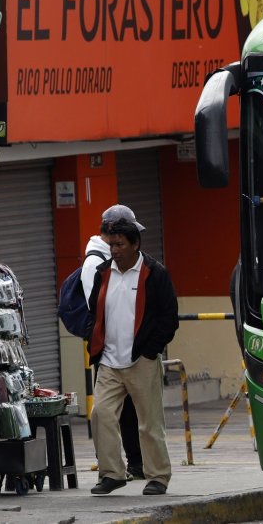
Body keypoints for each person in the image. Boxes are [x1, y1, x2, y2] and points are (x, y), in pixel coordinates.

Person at [85, 207, 179, 496]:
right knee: (101, 414)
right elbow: (93, 312)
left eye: (120, 245)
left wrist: (150, 351)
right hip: (110, 363)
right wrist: (96, 344)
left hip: (142, 360)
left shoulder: (155, 273)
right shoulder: (103, 273)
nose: (114, 250)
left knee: (149, 423)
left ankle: (158, 476)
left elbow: (168, 318)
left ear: (135, 244)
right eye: (111, 245)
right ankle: (112, 473)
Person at [81, 206, 143, 481]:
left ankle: (137, 464)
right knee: (107, 414)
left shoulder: (125, 260)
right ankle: (113, 468)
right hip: (109, 353)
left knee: (132, 413)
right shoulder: (96, 263)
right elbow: (98, 310)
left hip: (131, 352)